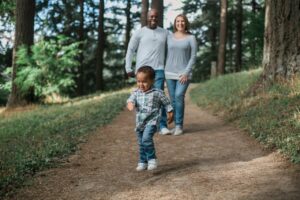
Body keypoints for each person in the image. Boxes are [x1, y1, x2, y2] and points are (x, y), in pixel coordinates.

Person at [125, 9, 172, 135]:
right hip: (142, 71)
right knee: (142, 99)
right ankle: (144, 123)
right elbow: (130, 50)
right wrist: (128, 68)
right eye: (151, 16)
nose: (153, 19)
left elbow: (176, 44)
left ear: (159, 18)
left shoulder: (165, 33)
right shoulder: (139, 33)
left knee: (160, 97)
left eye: (156, 17)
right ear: (147, 17)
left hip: (159, 70)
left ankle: (162, 126)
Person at [127, 66, 173, 171]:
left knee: (146, 139)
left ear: (152, 81)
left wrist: (170, 113)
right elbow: (131, 100)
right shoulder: (136, 93)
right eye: (138, 81)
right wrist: (130, 104)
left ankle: (152, 159)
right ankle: (143, 161)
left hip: (152, 121)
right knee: (141, 142)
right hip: (140, 122)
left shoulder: (157, 92)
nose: (141, 84)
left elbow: (166, 103)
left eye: (144, 82)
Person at [165, 14, 197, 136]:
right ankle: (175, 125)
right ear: (175, 23)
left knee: (179, 96)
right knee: (173, 99)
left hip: (183, 74)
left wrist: (186, 73)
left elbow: (193, 57)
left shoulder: (191, 38)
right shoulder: (169, 37)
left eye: (182, 21)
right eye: (178, 21)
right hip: (169, 72)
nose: (180, 23)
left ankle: (179, 126)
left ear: (186, 23)